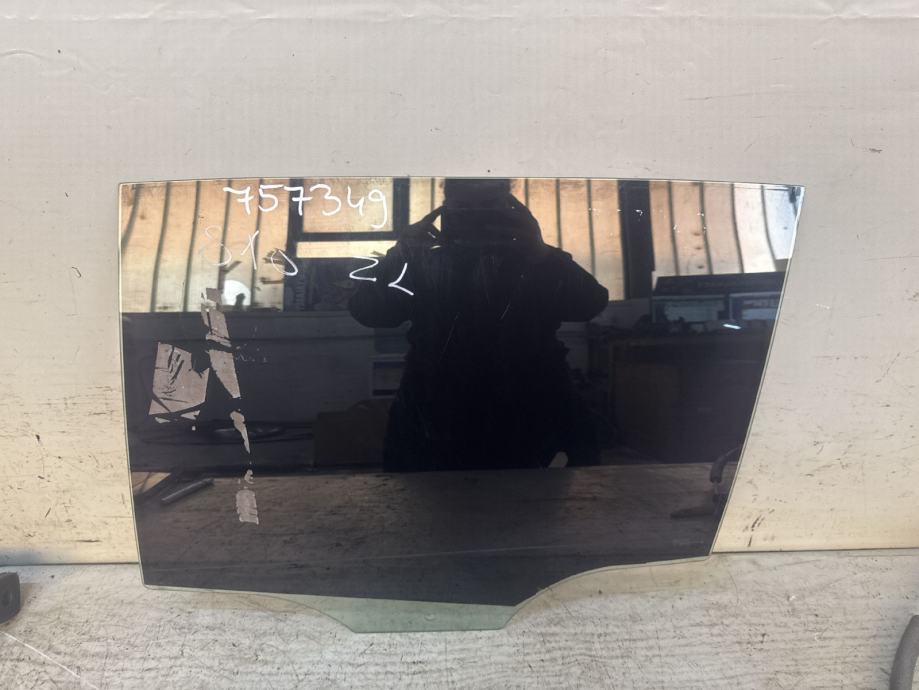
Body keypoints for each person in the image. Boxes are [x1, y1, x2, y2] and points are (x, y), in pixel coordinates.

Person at [349, 179, 608, 472]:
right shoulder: (423, 262)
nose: (476, 218)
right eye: (463, 208)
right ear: (444, 210)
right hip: (440, 408)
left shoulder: (535, 260)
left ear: (511, 209)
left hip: (528, 405)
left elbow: (591, 303)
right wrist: (399, 256)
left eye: (489, 207)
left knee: (535, 496)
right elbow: (370, 312)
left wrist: (541, 253)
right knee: (428, 498)